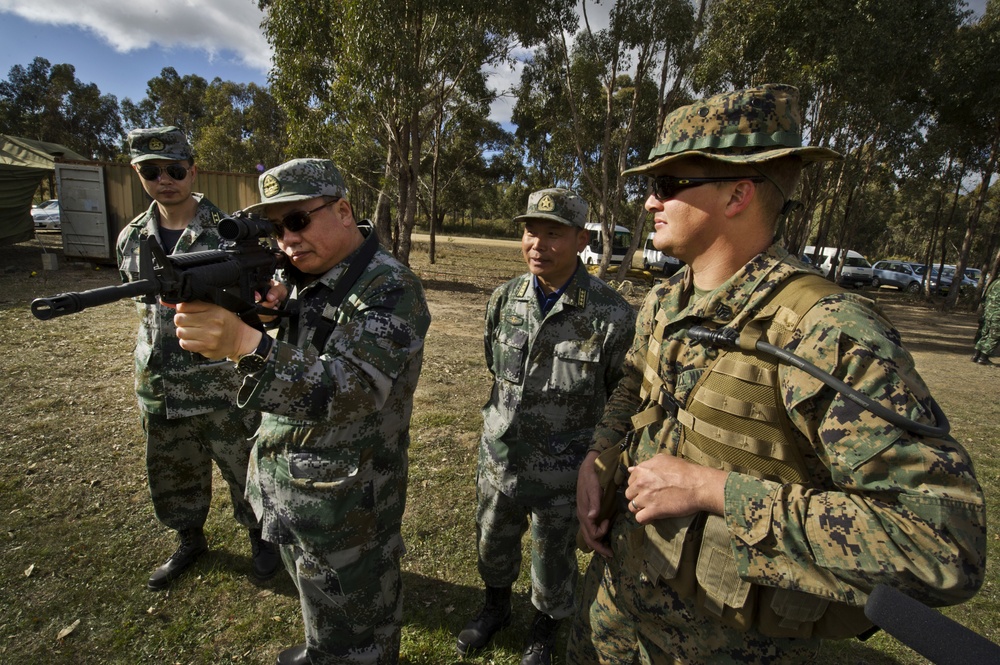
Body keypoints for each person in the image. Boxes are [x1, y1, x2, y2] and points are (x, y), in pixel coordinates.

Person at [569, 84, 987, 663]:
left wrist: (713, 490)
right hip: (617, 609)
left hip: (726, 644)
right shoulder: (666, 300)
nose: (649, 203)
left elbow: (942, 545)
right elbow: (633, 385)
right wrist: (599, 454)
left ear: (738, 193)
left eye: (666, 185)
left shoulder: (828, 332)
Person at [172, 158, 431, 665]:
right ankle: (322, 649)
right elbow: (310, 334)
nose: (286, 239)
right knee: (316, 594)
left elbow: (349, 388)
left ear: (342, 210)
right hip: (294, 484)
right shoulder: (313, 274)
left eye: (297, 221)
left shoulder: (391, 288)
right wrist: (272, 309)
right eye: (275, 227)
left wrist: (247, 343)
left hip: (350, 502)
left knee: (358, 629)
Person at [457, 188, 635, 665]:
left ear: (581, 239)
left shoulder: (611, 313)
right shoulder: (504, 299)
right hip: (501, 457)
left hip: (564, 470)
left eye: (553, 233)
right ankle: (495, 607)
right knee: (492, 540)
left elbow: (623, 392)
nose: (537, 243)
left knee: (553, 557)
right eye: (530, 231)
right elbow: (494, 369)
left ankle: (544, 627)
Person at [117, 126, 279, 591]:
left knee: (243, 465)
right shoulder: (131, 239)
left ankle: (261, 539)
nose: (165, 179)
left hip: (221, 383)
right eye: (152, 171)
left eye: (175, 169)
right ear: (138, 174)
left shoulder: (228, 231)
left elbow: (253, 307)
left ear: (193, 169)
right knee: (172, 472)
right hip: (160, 383)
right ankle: (189, 538)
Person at [971, 273, 999, 364]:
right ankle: (983, 358)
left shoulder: (995, 281)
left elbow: (985, 298)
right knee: (994, 336)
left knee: (985, 334)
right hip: (997, 313)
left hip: (988, 312)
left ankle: (976, 355)